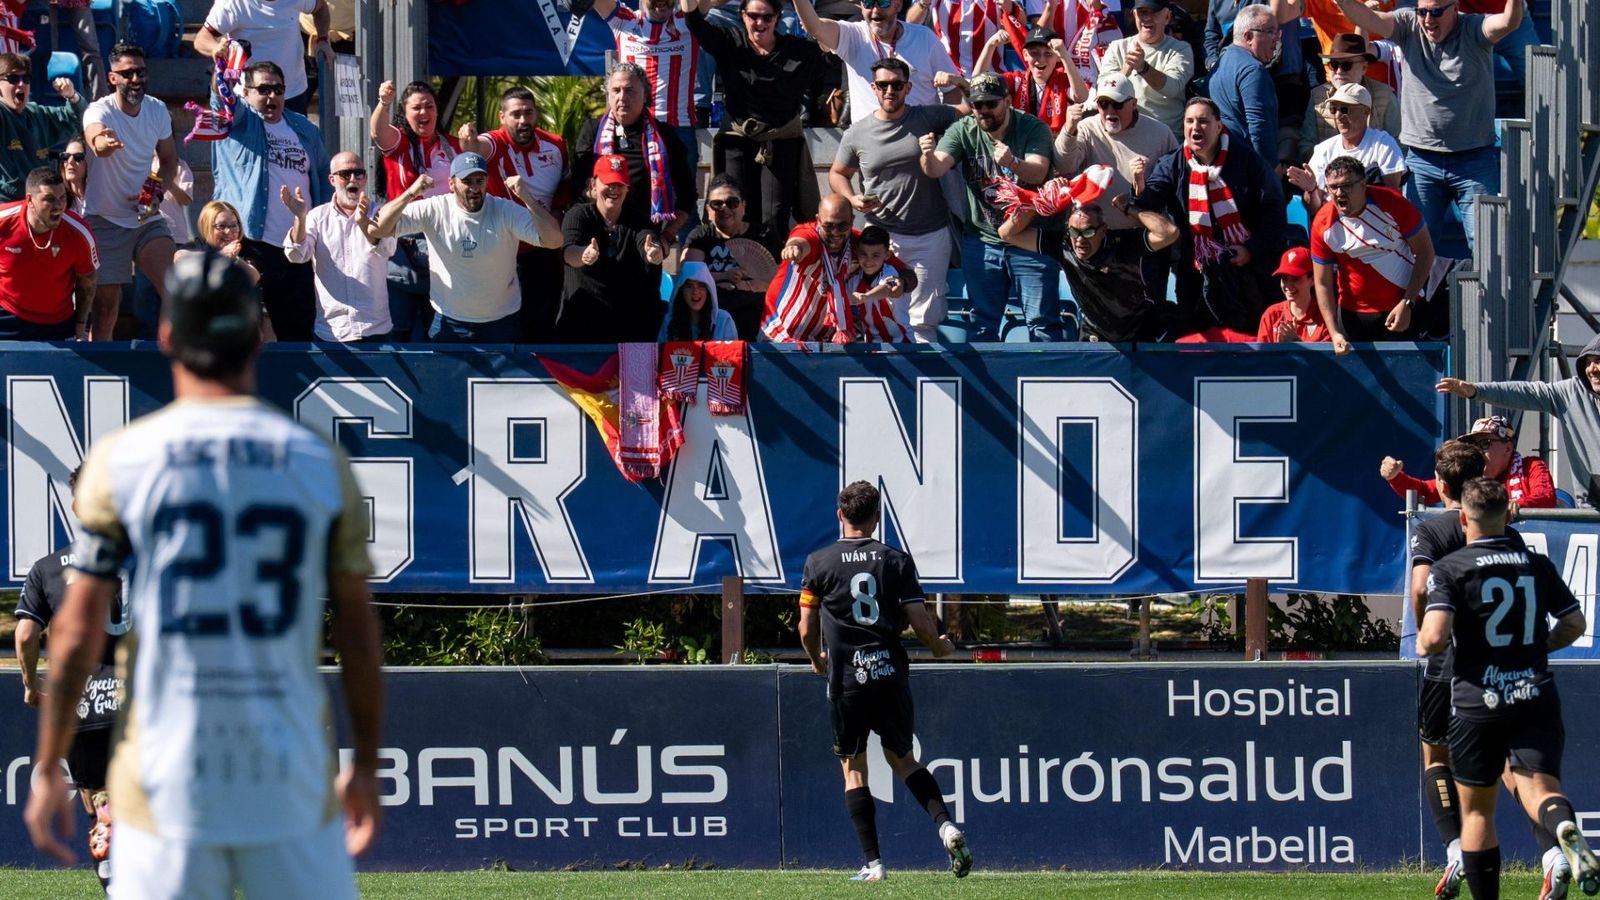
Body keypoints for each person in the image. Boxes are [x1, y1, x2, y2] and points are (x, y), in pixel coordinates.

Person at [22, 250, 385, 898]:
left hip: (162, 776)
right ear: (254, 332)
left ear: (166, 335)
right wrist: (364, 762)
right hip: (287, 772)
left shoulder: (124, 460)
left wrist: (50, 761)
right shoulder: (316, 460)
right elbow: (357, 631)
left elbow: (75, 630)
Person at [1419, 477, 1600, 900]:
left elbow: (1432, 638)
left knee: (1478, 811)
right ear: (1507, 516)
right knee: (1542, 791)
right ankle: (1563, 829)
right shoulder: (1535, 564)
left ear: (1463, 518)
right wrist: (1536, 644)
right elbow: (1574, 624)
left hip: (1476, 701)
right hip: (1534, 694)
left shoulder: (1451, 569)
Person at [797, 480, 972, 883]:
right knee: (904, 760)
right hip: (889, 675)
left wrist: (815, 658)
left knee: (853, 768)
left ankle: (874, 865)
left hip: (847, 681)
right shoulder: (896, 560)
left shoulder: (818, 562)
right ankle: (946, 827)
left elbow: (806, 625)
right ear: (878, 517)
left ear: (840, 515)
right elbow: (920, 620)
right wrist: (940, 647)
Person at [1334, 0, 1525, 260]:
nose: (1427, 19)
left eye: (1436, 12)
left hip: (1474, 161)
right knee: (1413, 253)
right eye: (1422, 11)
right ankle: (1418, 302)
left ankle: (1492, 301)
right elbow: (1369, 19)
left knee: (1490, 250)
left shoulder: (1473, 28)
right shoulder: (1407, 24)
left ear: (1454, 7)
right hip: (1422, 161)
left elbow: (1508, 21)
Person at [13, 464, 126, 890]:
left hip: (82, 705)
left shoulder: (46, 568)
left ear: (78, 507)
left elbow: (25, 633)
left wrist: (29, 684)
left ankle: (111, 851)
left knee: (98, 801)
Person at [830, 58, 961, 343]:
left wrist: (958, 82)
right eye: (883, 85)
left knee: (924, 319)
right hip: (881, 238)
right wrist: (852, 198)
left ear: (908, 88)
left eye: (897, 85)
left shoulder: (927, 116)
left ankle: (926, 383)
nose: (890, 90)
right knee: (881, 312)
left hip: (930, 235)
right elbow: (838, 173)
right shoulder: (858, 131)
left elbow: (972, 110)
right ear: (874, 88)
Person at [922, 72, 1060, 342]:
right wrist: (927, 155)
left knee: (1042, 323)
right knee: (982, 324)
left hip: (1030, 240)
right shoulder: (964, 129)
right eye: (977, 105)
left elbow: (1038, 172)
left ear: (1007, 101)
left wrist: (1013, 162)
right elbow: (936, 167)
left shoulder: (1032, 127)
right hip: (983, 240)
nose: (983, 110)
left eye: (991, 103)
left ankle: (1046, 383)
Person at [370, 153, 561, 343]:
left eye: (479, 180)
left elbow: (554, 241)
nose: (474, 188)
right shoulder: (435, 209)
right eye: (467, 181)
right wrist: (411, 192)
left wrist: (527, 198)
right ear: (451, 184)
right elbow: (379, 229)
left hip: (500, 322)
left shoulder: (504, 210)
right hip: (449, 321)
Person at [1133, 97, 1283, 337]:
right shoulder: (1173, 163)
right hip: (1195, 270)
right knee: (1195, 345)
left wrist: (1250, 250)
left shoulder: (1247, 161)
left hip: (1244, 270)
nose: (1196, 127)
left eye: (1203, 121)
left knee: (1245, 343)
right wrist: (1140, 184)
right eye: (1189, 121)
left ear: (1218, 125)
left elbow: (1273, 214)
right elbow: (1150, 201)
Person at [210, 60, 329, 342]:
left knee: (298, 331)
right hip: (251, 240)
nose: (271, 96)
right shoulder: (240, 120)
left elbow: (323, 176)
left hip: (296, 245)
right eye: (263, 89)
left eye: (278, 89)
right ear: (246, 92)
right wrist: (220, 67)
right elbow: (220, 99)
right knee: (241, 331)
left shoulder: (303, 127)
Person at [684, 0, 826, 232]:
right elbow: (694, 22)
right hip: (737, 138)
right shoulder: (730, 42)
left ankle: (771, 267)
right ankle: (734, 267)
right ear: (742, 16)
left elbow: (828, 43)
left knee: (774, 217)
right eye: (753, 16)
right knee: (731, 209)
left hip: (780, 139)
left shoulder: (797, 51)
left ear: (777, 19)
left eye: (767, 17)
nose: (760, 23)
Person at [82, 42, 178, 341]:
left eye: (140, 72)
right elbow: (95, 138)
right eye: (127, 73)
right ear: (112, 78)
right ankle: (101, 372)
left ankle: (173, 363)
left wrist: (155, 192)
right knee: (106, 309)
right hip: (103, 218)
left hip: (144, 217)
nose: (135, 79)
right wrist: (102, 145)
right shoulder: (99, 110)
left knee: (176, 288)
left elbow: (169, 159)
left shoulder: (157, 109)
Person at [1053, 73, 1177, 300]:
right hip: (1098, 239)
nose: (1110, 111)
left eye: (1118, 104)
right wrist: (1069, 129)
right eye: (1103, 104)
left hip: (1143, 239)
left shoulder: (1161, 133)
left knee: (1150, 307)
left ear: (1133, 103)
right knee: (1100, 311)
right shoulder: (1087, 128)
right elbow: (1063, 164)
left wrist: (1142, 188)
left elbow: (1173, 188)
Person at [1439, 338, 1600, 509]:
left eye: (1598, 361)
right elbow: (1526, 392)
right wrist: (1476, 391)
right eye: (1588, 362)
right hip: (1594, 511)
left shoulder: (1531, 467)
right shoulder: (1571, 393)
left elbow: (1544, 498)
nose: (1591, 369)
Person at [462, 86, 569, 342]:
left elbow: (564, 194)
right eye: (516, 114)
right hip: (505, 251)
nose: (523, 120)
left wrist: (556, 233)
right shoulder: (495, 142)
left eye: (528, 113)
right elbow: (476, 149)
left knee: (542, 323)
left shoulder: (556, 145)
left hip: (544, 249)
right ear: (502, 117)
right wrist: (468, 141)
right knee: (506, 324)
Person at [1001, 196, 1178, 342]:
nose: (1079, 240)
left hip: (1139, 330)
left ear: (1103, 230)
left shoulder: (1122, 243)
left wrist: (1130, 208)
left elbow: (1169, 232)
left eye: (1088, 233)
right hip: (1096, 333)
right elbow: (1007, 233)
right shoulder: (1062, 244)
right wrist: (1039, 201)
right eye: (1074, 232)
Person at [1312, 156, 1441, 351]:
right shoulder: (1323, 223)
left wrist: (1408, 302)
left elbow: (1425, 252)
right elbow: (1322, 283)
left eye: (1346, 185)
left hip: (1403, 310)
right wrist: (1334, 332)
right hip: (1353, 318)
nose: (1339, 193)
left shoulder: (1392, 203)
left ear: (1363, 185)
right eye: (1332, 187)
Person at [373, 80, 462, 341]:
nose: (424, 113)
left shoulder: (452, 145)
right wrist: (384, 103)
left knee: (440, 327)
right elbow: (378, 132)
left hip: (445, 240)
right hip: (403, 242)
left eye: (429, 106)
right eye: (417, 108)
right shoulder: (399, 142)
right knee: (399, 325)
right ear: (405, 112)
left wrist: (470, 142)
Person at [763, 193, 917, 343]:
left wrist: (902, 283)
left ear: (852, 220)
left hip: (828, 337)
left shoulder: (861, 247)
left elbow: (908, 273)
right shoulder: (809, 234)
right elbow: (800, 241)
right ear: (818, 220)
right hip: (783, 331)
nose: (835, 232)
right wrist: (793, 247)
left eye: (842, 225)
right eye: (828, 226)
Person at [791, 0, 966, 127]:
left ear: (898, 4)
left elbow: (951, 91)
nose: (875, 11)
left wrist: (942, 129)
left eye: (883, 3)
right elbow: (816, 27)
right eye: (868, 3)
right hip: (872, 147)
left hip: (921, 144)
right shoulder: (853, 35)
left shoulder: (924, 38)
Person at [282, 151, 396, 343]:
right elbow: (297, 255)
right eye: (345, 174)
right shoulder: (317, 217)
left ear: (365, 178)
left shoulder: (379, 212)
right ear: (332, 179)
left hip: (375, 329)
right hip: (332, 331)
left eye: (358, 173)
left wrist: (364, 223)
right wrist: (300, 218)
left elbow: (388, 249)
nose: (353, 179)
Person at [572, 64, 696, 241]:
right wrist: (604, 197)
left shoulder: (664, 135)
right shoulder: (592, 130)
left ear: (645, 95)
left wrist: (667, 236)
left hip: (644, 236)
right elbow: (577, 185)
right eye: (616, 90)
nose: (622, 97)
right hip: (597, 233)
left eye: (630, 90)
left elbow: (688, 195)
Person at [556, 154, 670, 343]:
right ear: (593, 185)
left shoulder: (638, 218)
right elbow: (568, 252)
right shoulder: (578, 215)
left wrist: (654, 254)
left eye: (619, 184)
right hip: (583, 324)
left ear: (627, 188)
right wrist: (583, 255)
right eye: (608, 183)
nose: (614, 189)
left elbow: (647, 242)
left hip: (631, 328)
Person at [593, 0, 702, 175]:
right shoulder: (624, 20)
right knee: (634, 196)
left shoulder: (688, 20)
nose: (661, 3)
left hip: (678, 130)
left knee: (683, 199)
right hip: (635, 129)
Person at [0, 167, 96, 341]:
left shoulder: (79, 232)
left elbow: (87, 281)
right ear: (29, 200)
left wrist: (81, 325)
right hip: (7, 315)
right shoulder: (4, 221)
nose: (58, 206)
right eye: (49, 199)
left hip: (57, 322)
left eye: (62, 198)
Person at [682, 175, 782, 340]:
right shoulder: (701, 236)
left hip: (757, 317)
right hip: (711, 317)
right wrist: (724, 276)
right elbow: (690, 275)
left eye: (732, 203)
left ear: (743, 206)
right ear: (708, 209)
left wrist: (749, 285)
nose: (724, 208)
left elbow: (781, 280)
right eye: (717, 204)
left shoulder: (765, 235)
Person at [1383, 415, 1558, 510]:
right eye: (1472, 444)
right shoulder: (1470, 470)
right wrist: (1396, 477)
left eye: (1485, 443)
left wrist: (1513, 507)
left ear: (1507, 448)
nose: (1477, 450)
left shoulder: (1530, 467)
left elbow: (1545, 499)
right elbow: (1425, 491)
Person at [195, 0, 333, 113]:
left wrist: (322, 40)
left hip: (292, 94)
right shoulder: (232, 3)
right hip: (251, 98)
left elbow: (320, 8)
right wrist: (215, 48)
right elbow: (202, 39)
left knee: (295, 146)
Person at [1287, 83, 1405, 211]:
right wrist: (1312, 190)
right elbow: (1313, 209)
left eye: (1344, 109)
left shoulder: (1383, 144)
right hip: (1334, 222)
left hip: (1375, 221)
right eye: (1333, 109)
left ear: (1366, 112)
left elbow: (1392, 197)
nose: (1338, 116)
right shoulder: (1323, 149)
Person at [1297, 34, 1401, 159]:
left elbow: (1399, 145)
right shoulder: (1317, 96)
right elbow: (1306, 145)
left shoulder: (1385, 96)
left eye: (1346, 65)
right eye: (1334, 65)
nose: (1339, 71)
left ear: (1364, 67)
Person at [0, 53, 87, 202]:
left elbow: (78, 121)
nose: (21, 84)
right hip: (8, 206)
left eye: (26, 79)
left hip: (41, 204)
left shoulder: (36, 114)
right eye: (13, 79)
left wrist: (72, 96)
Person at [1098, 0, 1193, 137]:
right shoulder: (1116, 47)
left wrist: (1143, 68)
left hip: (1165, 138)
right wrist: (1124, 72)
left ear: (1167, 17)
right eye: (1142, 12)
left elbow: (1172, 88)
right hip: (1123, 135)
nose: (1147, 18)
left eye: (1153, 12)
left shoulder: (1181, 49)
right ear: (1134, 15)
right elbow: (1103, 93)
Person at [1207, 4, 1279, 170]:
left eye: (1277, 32)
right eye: (1269, 31)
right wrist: (1269, 168)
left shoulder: (1222, 63)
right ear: (1248, 36)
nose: (1276, 38)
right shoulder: (1253, 70)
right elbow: (1259, 126)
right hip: (1246, 167)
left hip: (1223, 160)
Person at [975, 26, 1084, 134]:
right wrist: (990, 45)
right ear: (1025, 55)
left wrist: (1065, 56)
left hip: (1056, 142)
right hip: (1022, 143)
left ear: (1058, 57)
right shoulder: (1016, 80)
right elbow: (978, 84)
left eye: (1048, 53)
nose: (1041, 59)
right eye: (1034, 53)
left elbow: (1081, 96)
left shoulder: (1064, 79)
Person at [840, 225, 913, 342]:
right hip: (871, 346)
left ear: (887, 255)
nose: (869, 261)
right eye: (863, 254)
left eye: (875, 255)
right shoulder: (854, 279)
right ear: (856, 253)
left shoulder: (890, 272)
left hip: (903, 344)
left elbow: (888, 288)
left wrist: (866, 297)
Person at [1255, 246, 1330, 342]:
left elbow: (1329, 356)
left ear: (1312, 280)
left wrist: (1296, 343)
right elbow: (1262, 356)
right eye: (1284, 279)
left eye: (1296, 279)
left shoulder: (1326, 316)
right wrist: (1280, 348)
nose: (1288, 286)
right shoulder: (1271, 315)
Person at [660, 260, 737, 341]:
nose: (695, 292)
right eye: (689, 286)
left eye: (701, 286)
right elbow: (659, 351)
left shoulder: (724, 320)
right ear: (681, 290)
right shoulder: (669, 320)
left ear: (709, 290)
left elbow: (732, 352)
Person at [57, 138, 86, 214]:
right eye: (66, 156)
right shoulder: (58, 198)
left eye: (78, 157)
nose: (70, 161)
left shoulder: (101, 198)